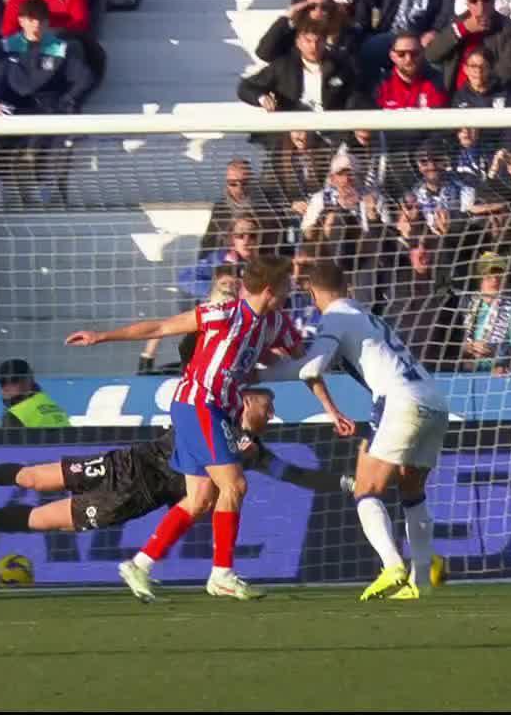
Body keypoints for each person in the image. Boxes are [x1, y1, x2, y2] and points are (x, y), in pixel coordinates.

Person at [64, 256, 354, 601]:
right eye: (286, 288)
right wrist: (101, 336)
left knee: (201, 498)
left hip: (217, 410)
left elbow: (307, 367)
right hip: (198, 403)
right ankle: (222, 574)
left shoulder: (276, 324)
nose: (291, 293)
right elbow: (160, 328)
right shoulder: (223, 314)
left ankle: (139, 564)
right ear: (268, 290)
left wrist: (331, 409)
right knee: (235, 484)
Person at [0, 389, 290, 604]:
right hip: (126, 465)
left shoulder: (245, 454)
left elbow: (276, 475)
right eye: (267, 405)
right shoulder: (209, 410)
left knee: (43, 520)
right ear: (247, 399)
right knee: (34, 478)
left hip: (133, 501)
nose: (271, 414)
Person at [257, 262, 449, 600]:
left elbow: (312, 366)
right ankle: (420, 582)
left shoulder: (335, 317)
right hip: (434, 400)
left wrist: (256, 377)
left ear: (313, 293)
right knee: (412, 490)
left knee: (366, 489)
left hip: (399, 401)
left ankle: (392, 566)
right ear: (347, 286)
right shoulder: (366, 315)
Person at [0, 358, 70, 428]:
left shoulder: (14, 416)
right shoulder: (52, 405)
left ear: (28, 380)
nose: (6, 387)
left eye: (13, 381)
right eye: (2, 383)